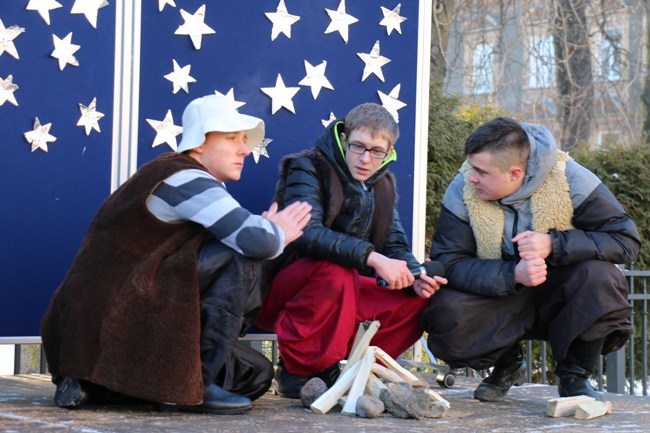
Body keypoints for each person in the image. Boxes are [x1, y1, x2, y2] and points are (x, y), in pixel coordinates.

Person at [40, 95, 312, 414]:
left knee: (256, 375)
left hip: (121, 328)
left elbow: (250, 235)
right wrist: (277, 232)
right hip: (110, 322)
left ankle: (98, 386)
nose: (244, 149)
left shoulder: (178, 175)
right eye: (231, 138)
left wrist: (265, 233)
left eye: (244, 140)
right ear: (198, 144)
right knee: (238, 254)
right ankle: (191, 387)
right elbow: (256, 242)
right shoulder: (184, 176)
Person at [421, 117, 640, 402]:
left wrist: (554, 243)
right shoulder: (463, 188)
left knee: (602, 277)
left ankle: (574, 377)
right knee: (443, 306)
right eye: (471, 167)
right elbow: (448, 261)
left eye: (480, 171)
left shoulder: (572, 179)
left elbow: (625, 240)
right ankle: (507, 363)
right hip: (500, 292)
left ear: (514, 173)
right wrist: (513, 275)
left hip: (560, 290)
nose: (470, 177)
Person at [255, 102, 447, 398]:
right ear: (344, 138)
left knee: (416, 297)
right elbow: (307, 234)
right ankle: (298, 370)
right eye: (358, 146)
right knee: (334, 271)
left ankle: (354, 369)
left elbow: (395, 244)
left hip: (348, 289)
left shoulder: (383, 184)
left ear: (389, 151)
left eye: (376, 151)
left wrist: (413, 273)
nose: (365, 158)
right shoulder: (308, 166)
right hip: (291, 286)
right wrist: (372, 257)